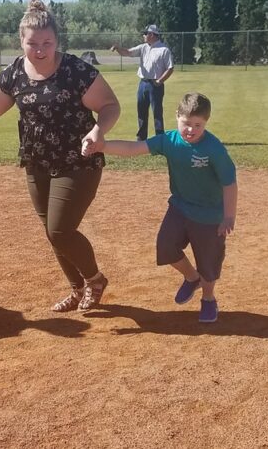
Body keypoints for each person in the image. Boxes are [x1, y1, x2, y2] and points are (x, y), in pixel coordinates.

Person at [0, 0, 121, 313]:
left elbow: (111, 105)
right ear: (20, 41)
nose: (40, 50)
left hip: (79, 160)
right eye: (32, 43)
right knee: (53, 233)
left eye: (47, 43)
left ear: (57, 41)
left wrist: (98, 131)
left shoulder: (75, 71)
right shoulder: (14, 73)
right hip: (37, 163)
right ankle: (77, 289)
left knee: (60, 229)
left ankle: (95, 279)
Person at [83, 93, 237, 324]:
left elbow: (229, 183)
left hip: (209, 216)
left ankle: (208, 299)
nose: (191, 130)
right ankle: (191, 277)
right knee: (165, 247)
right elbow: (135, 148)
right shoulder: (169, 141)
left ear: (206, 122)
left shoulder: (213, 149)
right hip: (180, 207)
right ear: (177, 117)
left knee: (208, 263)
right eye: (186, 123)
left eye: (198, 125)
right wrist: (101, 146)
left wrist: (228, 216)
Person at [110, 24, 174, 141]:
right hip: (143, 83)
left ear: (152, 34)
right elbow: (128, 52)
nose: (144, 35)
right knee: (141, 111)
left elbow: (170, 68)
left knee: (157, 112)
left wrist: (160, 81)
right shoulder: (143, 47)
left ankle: (160, 138)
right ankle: (141, 137)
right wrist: (118, 48)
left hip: (155, 84)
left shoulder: (164, 50)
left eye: (146, 33)